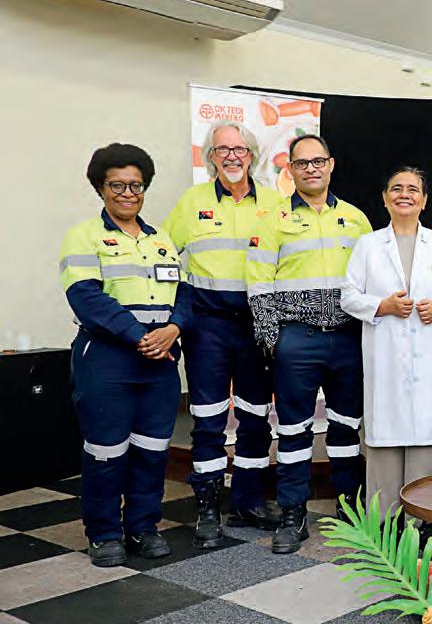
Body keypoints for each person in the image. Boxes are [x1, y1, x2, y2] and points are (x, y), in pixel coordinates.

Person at [59, 143, 187, 567]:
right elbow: (86, 298)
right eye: (118, 185)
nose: (128, 193)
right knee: (106, 451)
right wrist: (140, 336)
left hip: (160, 363)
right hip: (107, 361)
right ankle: (103, 533)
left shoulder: (162, 240)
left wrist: (173, 328)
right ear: (101, 188)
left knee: (152, 451)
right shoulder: (84, 236)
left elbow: (184, 294)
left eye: (136, 185)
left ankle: (143, 527)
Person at [246, 134, 371, 554]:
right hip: (296, 339)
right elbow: (258, 281)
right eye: (302, 163)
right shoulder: (272, 219)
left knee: (346, 426)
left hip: (348, 338)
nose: (311, 169)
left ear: (331, 164)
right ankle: (292, 514)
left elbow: (372, 279)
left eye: (318, 161)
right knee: (293, 429)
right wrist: (270, 337)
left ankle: (350, 511)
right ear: (291, 169)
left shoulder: (355, 218)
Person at [163, 121, 283, 549]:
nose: (232, 157)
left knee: (255, 416)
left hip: (256, 326)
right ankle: (208, 506)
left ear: (252, 155)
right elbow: (163, 256)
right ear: (210, 157)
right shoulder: (191, 202)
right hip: (207, 326)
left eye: (239, 149)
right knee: (208, 419)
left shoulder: (276, 204)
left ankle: (248, 501)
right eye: (222, 150)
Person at [341, 167, 432, 517]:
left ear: (424, 200)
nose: (404, 194)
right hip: (386, 360)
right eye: (396, 188)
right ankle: (385, 526)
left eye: (412, 189)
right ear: (384, 198)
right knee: (385, 441)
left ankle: (423, 527)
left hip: (429, 359)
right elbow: (348, 296)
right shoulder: (368, 245)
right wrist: (382, 306)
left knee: (427, 439)